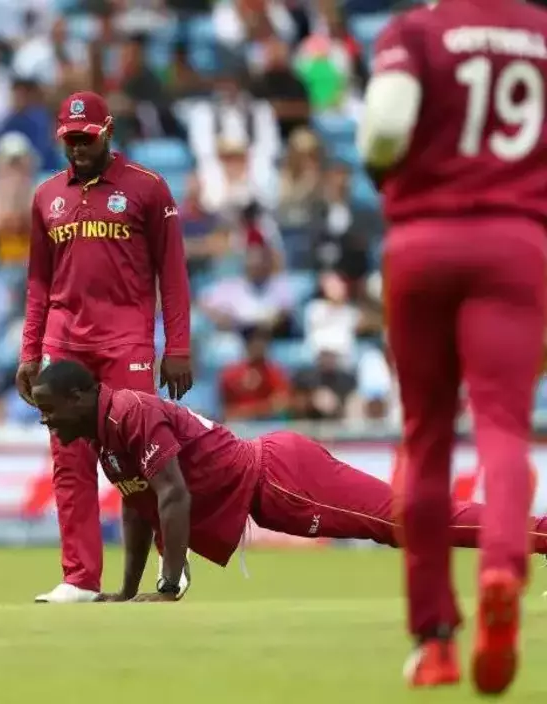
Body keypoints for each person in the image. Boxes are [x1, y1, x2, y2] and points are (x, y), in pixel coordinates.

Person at [356, 1, 547, 692]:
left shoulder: (414, 32)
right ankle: (502, 570)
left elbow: (383, 129)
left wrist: (388, 173)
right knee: (503, 427)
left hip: (423, 241)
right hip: (516, 243)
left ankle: (434, 639)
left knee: (427, 438)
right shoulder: (539, 33)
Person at [29, 360, 547, 606]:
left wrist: (167, 587)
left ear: (80, 397)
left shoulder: (131, 413)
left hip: (282, 479)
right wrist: (125, 591)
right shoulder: (102, 431)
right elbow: (137, 505)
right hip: (274, 485)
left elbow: (173, 494)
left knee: (412, 523)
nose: (48, 424)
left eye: (50, 412)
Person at [16, 91, 193, 604]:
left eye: (85, 139)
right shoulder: (46, 195)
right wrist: (30, 351)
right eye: (69, 140)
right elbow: (37, 285)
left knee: (141, 458)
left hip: (126, 342)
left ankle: (170, 561)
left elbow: (174, 275)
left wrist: (176, 345)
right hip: (64, 343)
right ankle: (80, 578)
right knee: (68, 460)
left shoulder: (147, 188)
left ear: (108, 130)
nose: (76, 149)